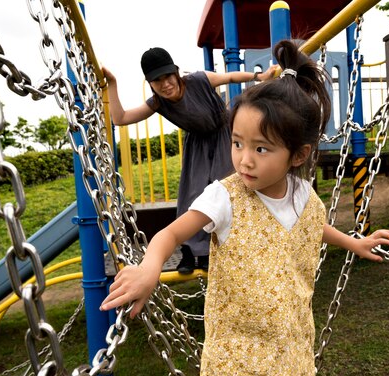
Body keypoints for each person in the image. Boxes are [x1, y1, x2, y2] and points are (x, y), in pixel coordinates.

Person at [100, 40, 389, 376]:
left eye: (261, 149)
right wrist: (149, 269)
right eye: (237, 143)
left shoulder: (303, 194)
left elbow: (314, 226)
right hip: (236, 362)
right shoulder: (224, 196)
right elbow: (170, 234)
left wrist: (354, 243)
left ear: (298, 155)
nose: (243, 159)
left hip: (291, 352)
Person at [102, 47, 278, 274]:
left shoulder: (198, 80)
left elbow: (231, 76)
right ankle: (189, 251)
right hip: (197, 146)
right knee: (192, 195)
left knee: (226, 191)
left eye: (167, 76)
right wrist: (112, 84)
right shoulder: (158, 102)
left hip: (223, 137)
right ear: (150, 84)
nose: (165, 84)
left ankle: (213, 251)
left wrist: (259, 77)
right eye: (157, 81)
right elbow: (121, 118)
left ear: (175, 72)